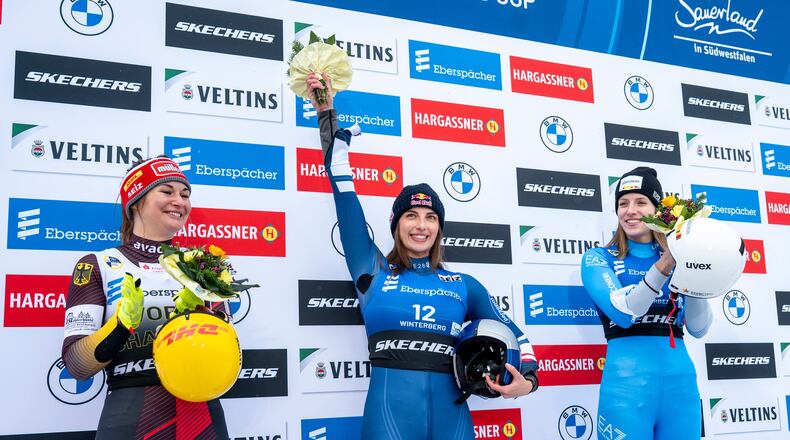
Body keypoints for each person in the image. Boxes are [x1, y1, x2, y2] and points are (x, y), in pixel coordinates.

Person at [307, 73, 539, 440]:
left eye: (431, 217)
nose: (421, 225)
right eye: (411, 216)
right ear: (395, 224)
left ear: (439, 228)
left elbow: (518, 337)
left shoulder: (463, 285)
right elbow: (343, 191)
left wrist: (528, 381)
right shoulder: (372, 271)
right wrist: (326, 114)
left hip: (455, 422)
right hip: (390, 420)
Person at [61, 156, 229, 439]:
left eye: (185, 194)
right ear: (135, 202)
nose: (180, 201)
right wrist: (120, 326)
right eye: (167, 191)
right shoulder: (96, 264)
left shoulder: (204, 266)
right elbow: (77, 365)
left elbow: (229, 355)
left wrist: (206, 320)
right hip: (133, 414)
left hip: (203, 417)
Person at [581, 167, 712, 440]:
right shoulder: (598, 258)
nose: (630, 210)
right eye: (623, 203)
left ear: (657, 211)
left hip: (682, 389)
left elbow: (699, 328)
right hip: (625, 391)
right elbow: (624, 313)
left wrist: (694, 269)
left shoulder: (678, 257)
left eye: (641, 202)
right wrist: (664, 266)